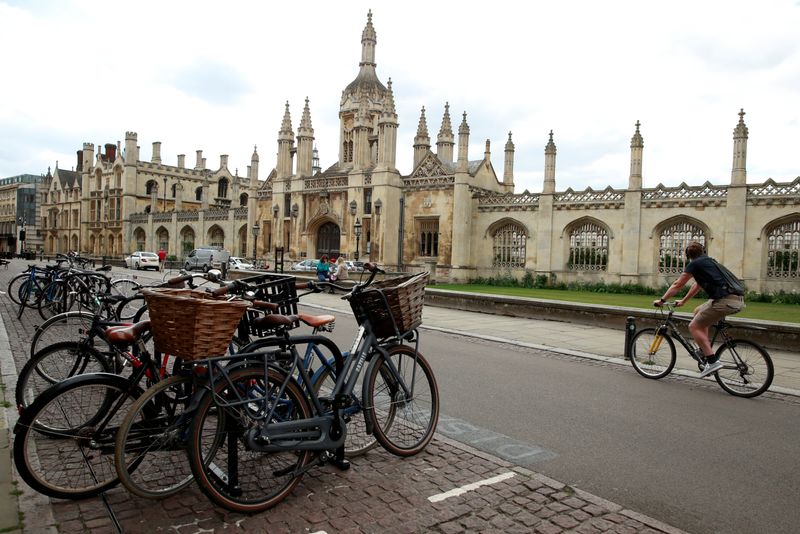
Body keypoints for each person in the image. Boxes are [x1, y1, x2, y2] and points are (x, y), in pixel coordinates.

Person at [653, 241, 745, 377]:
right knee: (697, 311)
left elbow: (678, 284)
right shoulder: (709, 262)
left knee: (694, 327)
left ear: (688, 255)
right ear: (703, 251)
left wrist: (662, 301)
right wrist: (683, 301)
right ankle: (705, 349)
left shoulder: (695, 264)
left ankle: (712, 361)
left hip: (725, 301)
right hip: (735, 300)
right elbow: (697, 285)